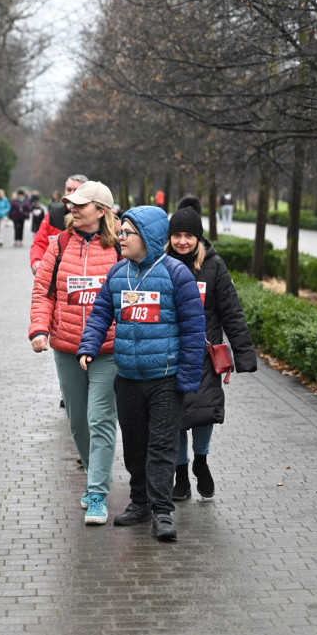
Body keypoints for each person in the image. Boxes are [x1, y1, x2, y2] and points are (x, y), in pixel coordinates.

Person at [78, 205, 206, 541]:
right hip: (128, 379)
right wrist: (89, 346)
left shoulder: (177, 275)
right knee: (134, 446)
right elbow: (100, 313)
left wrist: (188, 379)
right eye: (120, 232)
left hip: (164, 378)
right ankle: (139, 504)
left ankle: (162, 512)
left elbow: (194, 330)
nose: (120, 238)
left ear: (147, 236)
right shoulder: (117, 274)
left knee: (161, 448)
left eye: (127, 233)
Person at [29, 181, 122, 525]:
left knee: (101, 419)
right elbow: (43, 291)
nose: (72, 209)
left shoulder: (119, 248)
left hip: (106, 349)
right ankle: (93, 478)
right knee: (78, 420)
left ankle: (97, 492)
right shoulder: (60, 243)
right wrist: (39, 328)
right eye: (71, 204)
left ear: (101, 210)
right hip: (66, 346)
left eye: (80, 205)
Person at [164, 197, 257, 500]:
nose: (181, 241)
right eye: (176, 235)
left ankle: (201, 461)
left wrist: (244, 355)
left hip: (203, 356)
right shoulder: (160, 264)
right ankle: (181, 473)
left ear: (198, 237)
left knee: (203, 412)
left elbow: (231, 311)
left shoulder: (214, 266)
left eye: (188, 235)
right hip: (168, 353)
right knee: (174, 416)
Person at [30, 174, 87, 275]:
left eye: (76, 190)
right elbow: (40, 243)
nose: (71, 193)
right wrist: (36, 260)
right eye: (69, 190)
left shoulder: (94, 217)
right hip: (55, 275)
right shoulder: (52, 216)